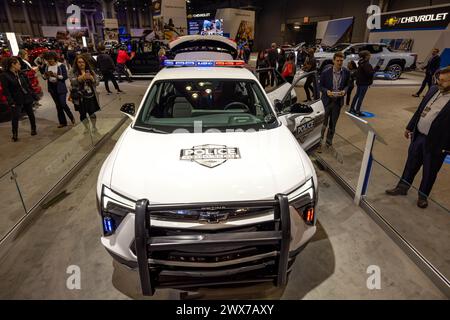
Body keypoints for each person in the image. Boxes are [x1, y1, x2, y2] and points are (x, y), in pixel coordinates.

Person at [386, 66, 450, 208]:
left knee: (429, 171)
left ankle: (423, 196)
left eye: (444, 81)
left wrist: (447, 148)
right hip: (419, 136)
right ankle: (402, 187)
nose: (439, 82)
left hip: (436, 143)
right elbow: (420, 109)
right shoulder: (434, 89)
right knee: (410, 164)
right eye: (439, 79)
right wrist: (410, 126)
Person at [318, 52, 350, 150]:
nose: (340, 62)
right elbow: (320, 86)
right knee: (323, 123)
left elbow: (348, 85)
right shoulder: (325, 72)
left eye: (341, 61)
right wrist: (326, 91)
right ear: (333, 61)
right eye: (338, 60)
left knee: (333, 124)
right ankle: (319, 142)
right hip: (327, 101)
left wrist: (344, 91)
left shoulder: (346, 72)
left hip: (337, 102)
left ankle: (328, 142)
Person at [0, 57, 37, 141]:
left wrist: (33, 94)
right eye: (18, 64)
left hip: (26, 96)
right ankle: (15, 134)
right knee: (15, 117)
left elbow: (28, 86)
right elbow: (6, 91)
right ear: (13, 65)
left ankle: (33, 129)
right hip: (16, 99)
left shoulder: (21, 73)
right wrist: (10, 101)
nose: (20, 65)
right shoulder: (4, 75)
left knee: (30, 113)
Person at [42, 51, 75, 128]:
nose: (50, 61)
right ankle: (62, 122)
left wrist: (56, 76)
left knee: (63, 103)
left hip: (61, 87)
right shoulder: (47, 66)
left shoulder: (61, 66)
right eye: (48, 59)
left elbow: (65, 77)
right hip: (52, 88)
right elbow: (44, 77)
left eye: (51, 59)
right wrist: (46, 76)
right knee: (58, 106)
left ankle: (71, 116)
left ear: (55, 58)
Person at [69, 55, 100, 133]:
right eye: (79, 62)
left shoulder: (90, 70)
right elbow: (72, 82)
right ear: (76, 63)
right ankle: (86, 128)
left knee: (92, 113)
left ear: (85, 63)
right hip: (79, 97)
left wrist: (92, 79)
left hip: (91, 96)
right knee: (82, 115)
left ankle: (94, 126)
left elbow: (97, 82)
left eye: (83, 62)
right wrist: (80, 78)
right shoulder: (72, 71)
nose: (81, 64)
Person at [349, 50, 375, 116]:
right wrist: (375, 70)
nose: (370, 56)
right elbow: (369, 74)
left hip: (359, 82)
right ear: (366, 56)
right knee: (361, 97)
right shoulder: (367, 64)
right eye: (369, 55)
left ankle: (352, 108)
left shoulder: (360, 63)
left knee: (357, 95)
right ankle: (357, 111)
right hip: (364, 83)